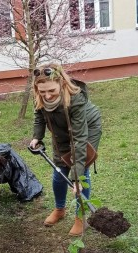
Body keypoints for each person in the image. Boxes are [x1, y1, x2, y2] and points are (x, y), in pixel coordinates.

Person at [29, 63, 102, 236]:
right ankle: (60, 209)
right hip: (60, 131)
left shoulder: (75, 100)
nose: (47, 95)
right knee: (59, 173)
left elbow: (79, 139)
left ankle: (80, 217)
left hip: (87, 129)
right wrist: (36, 137)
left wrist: (76, 176)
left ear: (61, 83)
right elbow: (39, 116)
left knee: (80, 173)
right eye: (42, 91)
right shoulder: (40, 95)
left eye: (51, 91)